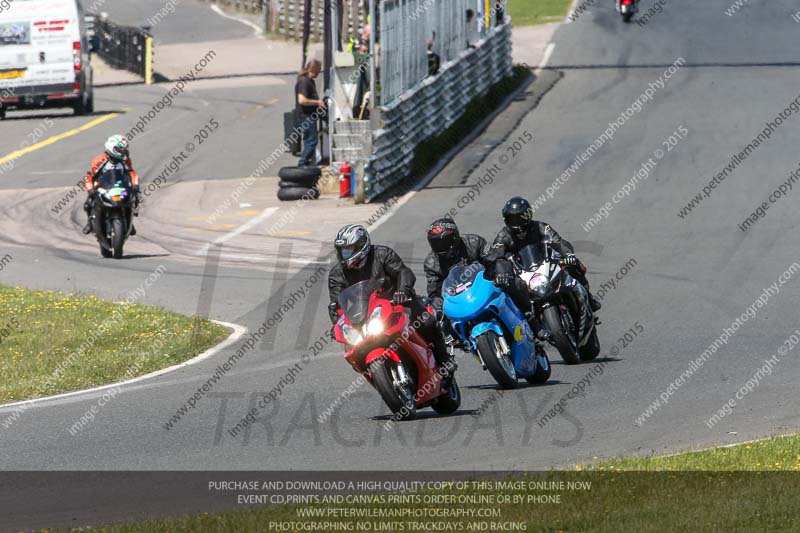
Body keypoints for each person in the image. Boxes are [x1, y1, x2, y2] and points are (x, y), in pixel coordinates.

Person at [328, 224, 456, 382]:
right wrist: (336, 324)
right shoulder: (337, 274)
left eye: (348, 250)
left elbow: (403, 272)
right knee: (352, 348)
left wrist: (402, 290)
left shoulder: (382, 254)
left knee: (427, 322)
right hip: (365, 315)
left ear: (361, 246)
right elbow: (336, 304)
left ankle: (444, 360)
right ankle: (379, 378)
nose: (344, 255)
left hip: (398, 303)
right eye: (341, 251)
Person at [424, 217, 549, 342]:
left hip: (486, 284)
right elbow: (434, 291)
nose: (439, 247)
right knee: (442, 327)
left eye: (442, 242)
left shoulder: (474, 242)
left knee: (514, 283)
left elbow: (495, 259)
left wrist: (502, 273)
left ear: (454, 237)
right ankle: (458, 344)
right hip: (460, 298)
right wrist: (437, 303)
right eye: (435, 243)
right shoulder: (431, 263)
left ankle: (531, 320)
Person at [492, 196, 602, 312]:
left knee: (575, 265)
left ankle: (589, 298)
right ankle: (527, 317)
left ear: (527, 215)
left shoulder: (541, 227)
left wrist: (568, 254)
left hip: (546, 262)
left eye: (519, 218)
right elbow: (497, 257)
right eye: (512, 219)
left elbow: (558, 242)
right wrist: (501, 273)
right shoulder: (503, 236)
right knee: (507, 289)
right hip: (522, 271)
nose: (516, 223)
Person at [81, 135, 140, 235]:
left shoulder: (125, 160)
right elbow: (90, 176)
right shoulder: (99, 160)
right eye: (120, 149)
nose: (124, 151)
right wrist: (90, 189)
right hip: (103, 187)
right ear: (112, 147)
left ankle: (129, 221)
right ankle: (90, 223)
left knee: (134, 197)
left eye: (125, 149)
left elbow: (131, 172)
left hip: (121, 186)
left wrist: (135, 185)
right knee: (89, 202)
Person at [295, 59, 325, 167]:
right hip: (306, 117)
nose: (319, 73)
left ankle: (308, 163)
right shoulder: (304, 82)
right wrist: (317, 102)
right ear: (314, 70)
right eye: (318, 70)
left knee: (309, 140)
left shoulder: (311, 81)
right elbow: (302, 100)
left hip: (310, 116)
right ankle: (302, 163)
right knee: (312, 141)